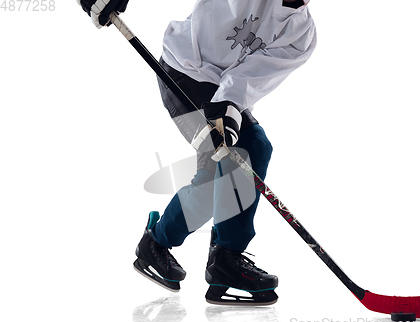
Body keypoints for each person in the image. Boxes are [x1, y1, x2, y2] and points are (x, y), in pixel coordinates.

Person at [77, 0, 317, 306]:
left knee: (222, 174)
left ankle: (157, 243)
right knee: (248, 149)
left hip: (221, 91)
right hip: (183, 69)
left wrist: (227, 114)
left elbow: (246, 80)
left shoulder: (301, 35)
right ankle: (226, 259)